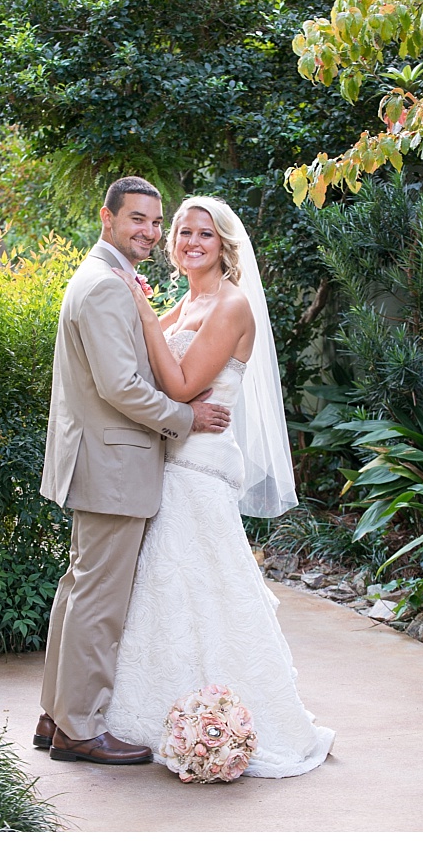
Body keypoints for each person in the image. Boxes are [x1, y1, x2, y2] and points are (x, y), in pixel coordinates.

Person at [103, 195, 334, 778]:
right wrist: (151, 318)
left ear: (224, 246)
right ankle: (164, 715)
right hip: (167, 467)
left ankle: (230, 722)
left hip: (199, 472)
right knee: (166, 595)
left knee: (212, 594)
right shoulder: (184, 303)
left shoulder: (230, 305)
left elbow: (179, 386)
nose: (190, 242)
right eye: (182, 233)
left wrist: (144, 316)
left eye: (203, 234)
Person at [38, 176, 231, 765]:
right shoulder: (105, 287)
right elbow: (120, 385)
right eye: (138, 220)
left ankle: (56, 716)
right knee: (98, 600)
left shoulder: (109, 281)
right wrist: (185, 416)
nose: (149, 231)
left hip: (100, 458)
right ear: (108, 218)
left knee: (78, 591)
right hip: (114, 463)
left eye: (155, 221)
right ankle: (79, 728)